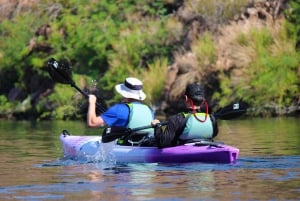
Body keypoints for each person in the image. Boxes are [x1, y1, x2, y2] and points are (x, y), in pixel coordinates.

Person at [87, 77, 155, 145]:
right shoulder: (149, 110)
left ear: (125, 94)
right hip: (145, 145)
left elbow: (92, 123)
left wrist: (92, 102)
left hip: (126, 147)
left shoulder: (118, 109)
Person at [152, 83, 218, 148]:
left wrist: (157, 127)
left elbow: (162, 143)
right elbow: (214, 135)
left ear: (186, 98)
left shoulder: (177, 119)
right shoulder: (212, 119)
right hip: (205, 150)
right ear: (203, 100)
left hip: (183, 154)